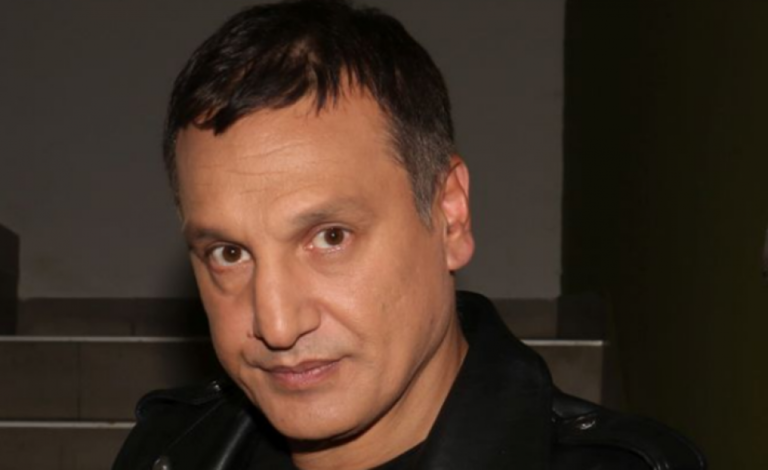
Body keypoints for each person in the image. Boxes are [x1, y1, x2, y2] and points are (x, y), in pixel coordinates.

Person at [113, 1, 706, 469]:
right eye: (229, 253)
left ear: (449, 214)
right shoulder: (165, 452)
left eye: (331, 237)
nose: (277, 324)